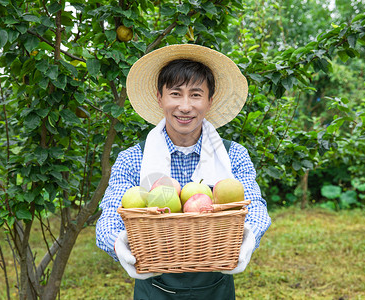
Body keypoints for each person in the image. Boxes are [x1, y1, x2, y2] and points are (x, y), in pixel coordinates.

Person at [96, 44, 271, 299]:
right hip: (153, 287)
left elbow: (254, 205)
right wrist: (118, 244)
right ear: (160, 98)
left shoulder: (233, 156)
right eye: (175, 94)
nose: (185, 106)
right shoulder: (134, 158)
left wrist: (248, 238)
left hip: (216, 288)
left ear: (210, 100)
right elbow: (110, 213)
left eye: (196, 95)